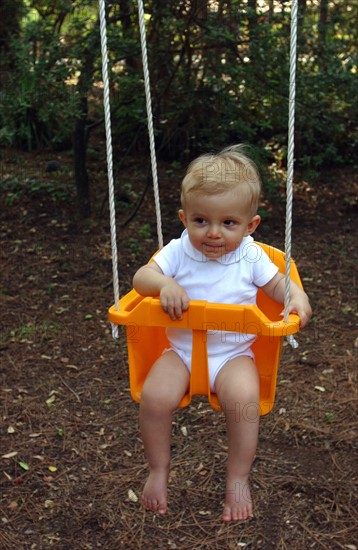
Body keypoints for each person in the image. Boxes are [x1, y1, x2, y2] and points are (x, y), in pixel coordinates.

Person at [132, 144, 312, 522]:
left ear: (250, 226)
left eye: (228, 223)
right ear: (184, 218)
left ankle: (237, 479)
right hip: (180, 352)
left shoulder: (249, 256)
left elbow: (279, 285)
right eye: (201, 221)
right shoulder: (180, 250)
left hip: (233, 355)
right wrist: (163, 285)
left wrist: (296, 296)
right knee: (153, 398)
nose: (213, 233)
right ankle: (157, 470)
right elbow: (141, 278)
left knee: (245, 404)